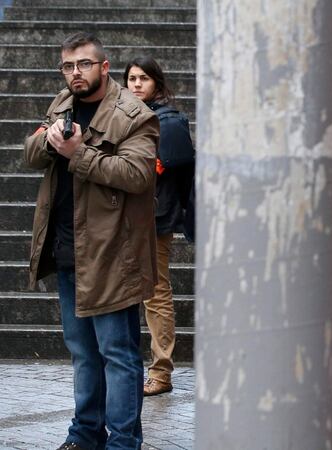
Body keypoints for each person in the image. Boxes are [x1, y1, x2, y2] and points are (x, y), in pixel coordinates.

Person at [24, 32, 159, 449]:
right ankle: (84, 435)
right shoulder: (62, 102)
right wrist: (47, 142)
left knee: (118, 355)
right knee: (82, 353)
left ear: (103, 66)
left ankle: (122, 442)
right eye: (67, 66)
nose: (74, 73)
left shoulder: (135, 114)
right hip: (67, 248)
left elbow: (138, 176)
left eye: (83, 64)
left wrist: (78, 152)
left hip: (113, 254)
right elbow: (30, 154)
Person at [124, 56, 195, 397]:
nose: (136, 84)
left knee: (155, 293)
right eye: (132, 78)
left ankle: (161, 371)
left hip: (154, 218)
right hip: (119, 216)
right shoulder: (123, 116)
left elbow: (152, 170)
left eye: (144, 79)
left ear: (157, 83)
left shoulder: (168, 122)